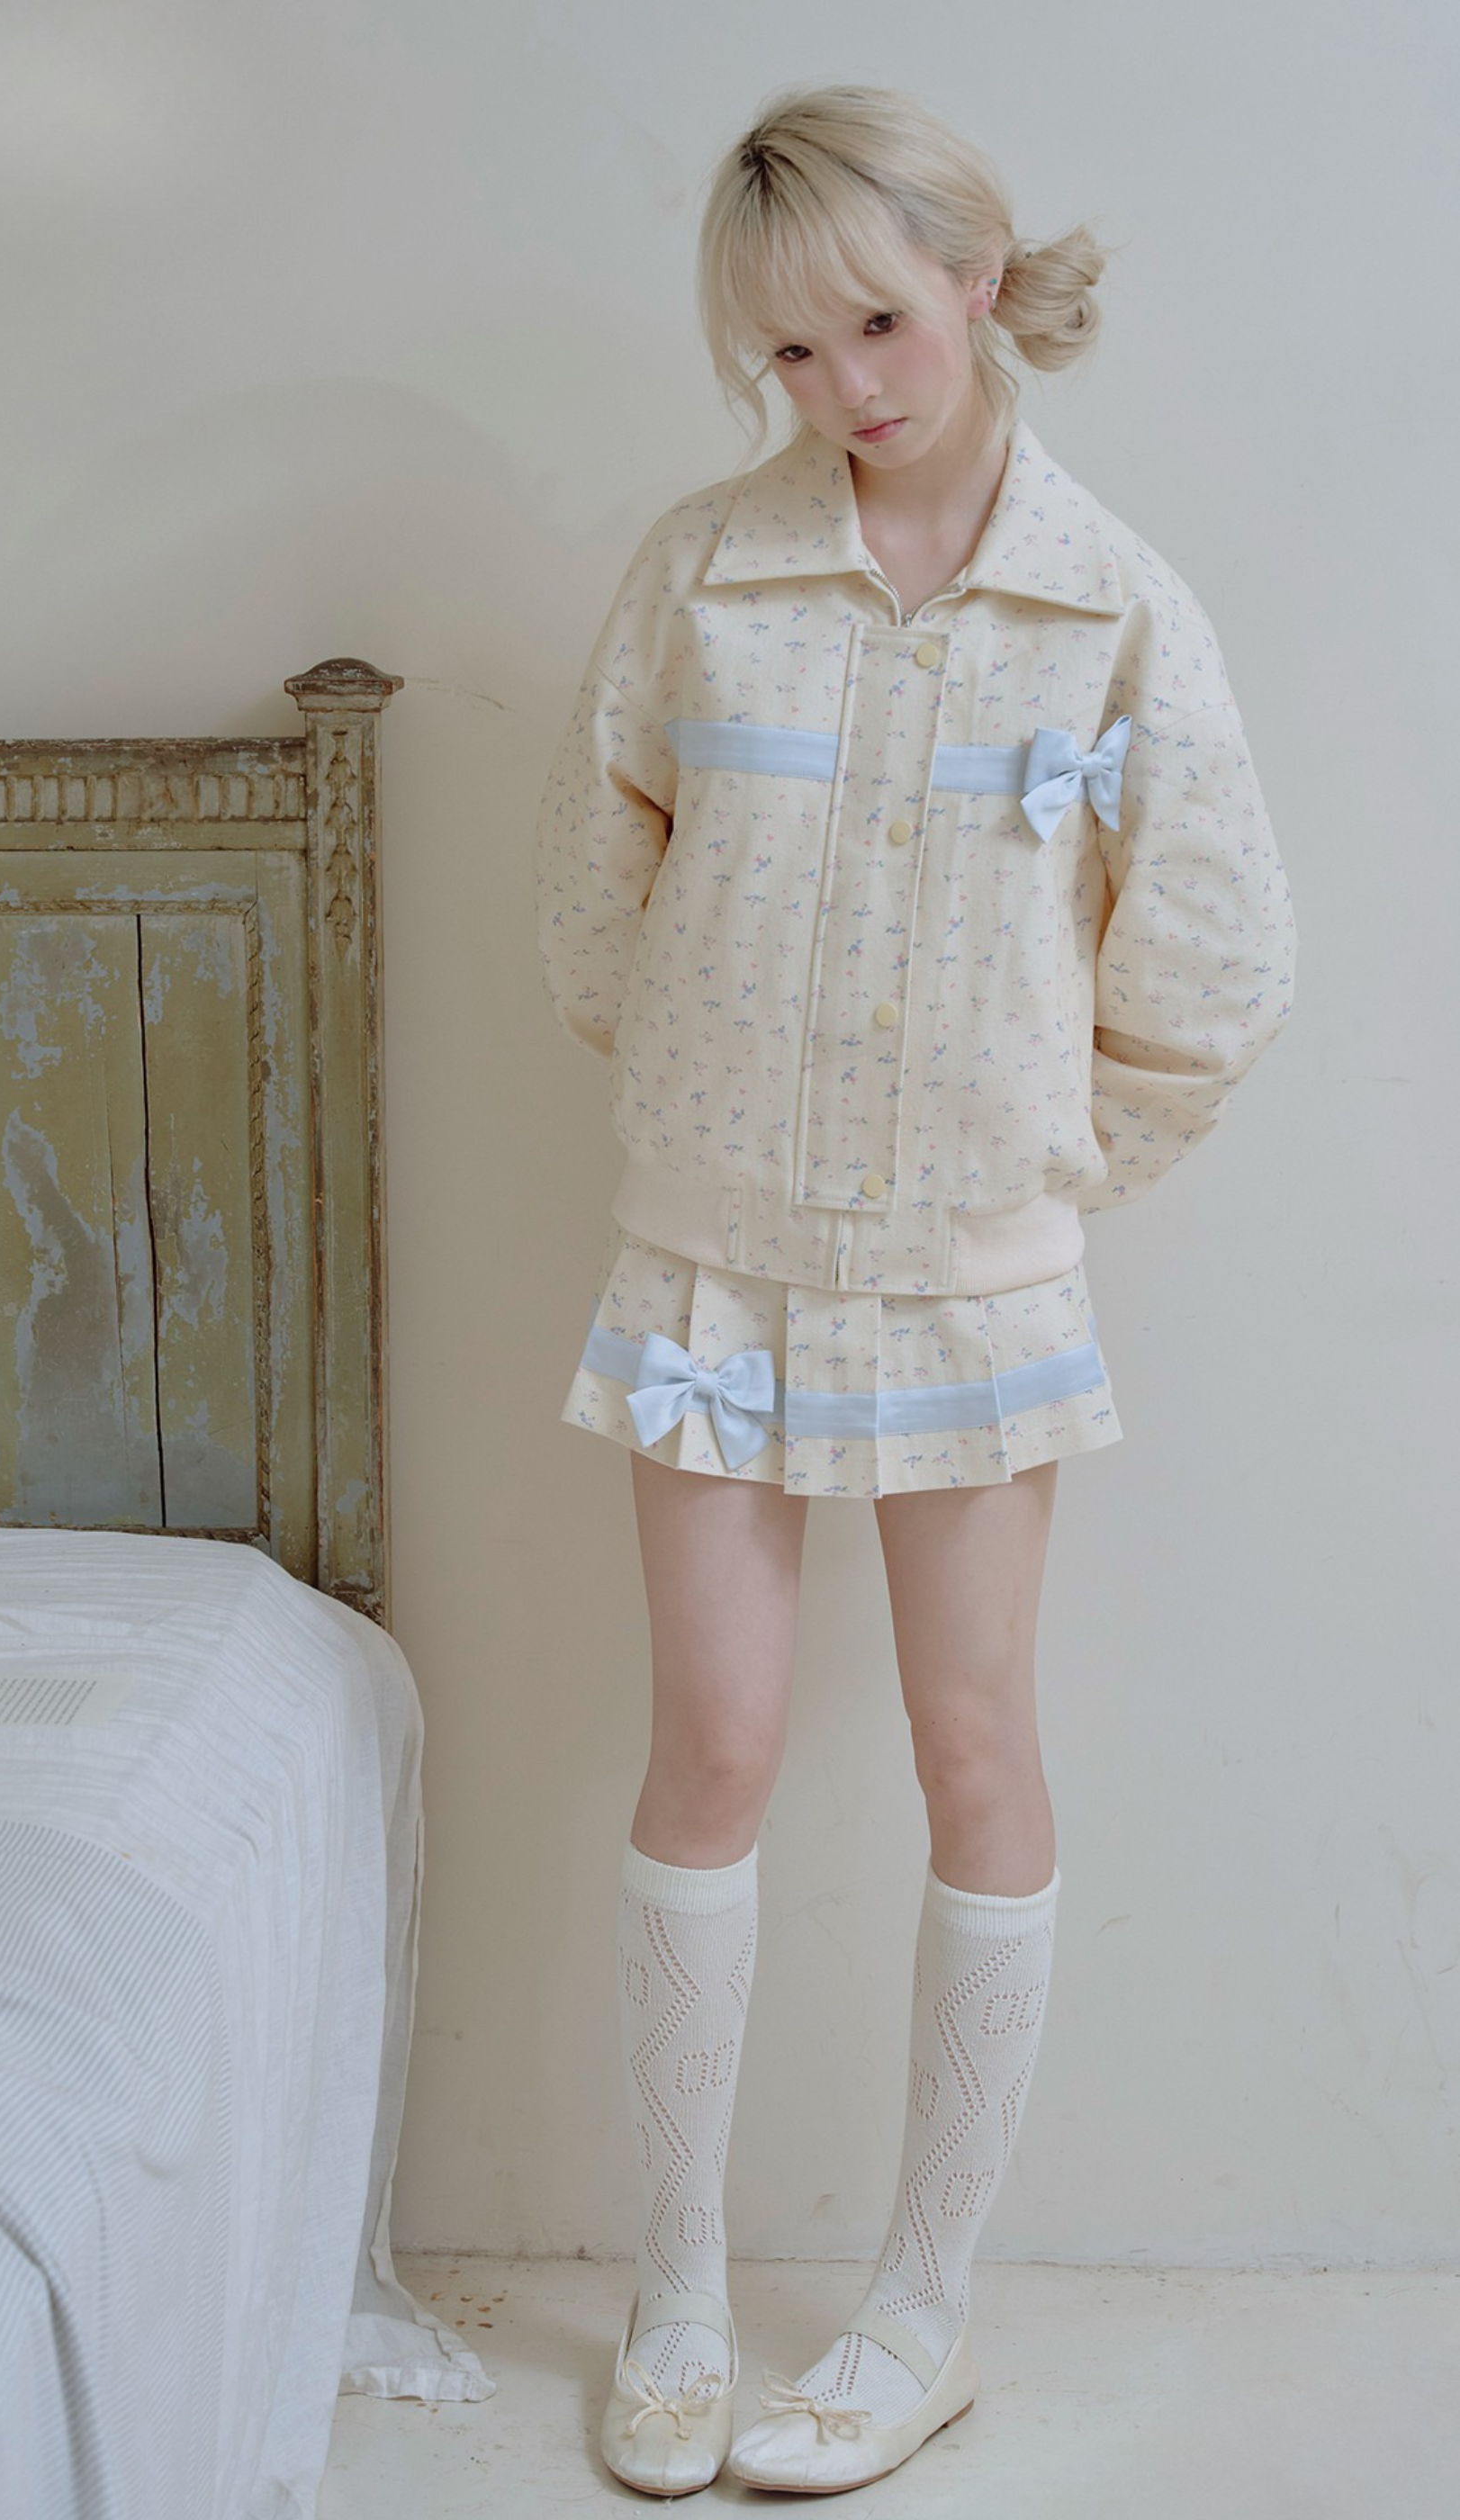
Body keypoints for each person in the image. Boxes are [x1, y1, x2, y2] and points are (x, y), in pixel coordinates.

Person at [533, 82, 1296, 2499]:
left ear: (975, 276)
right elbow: (593, 903)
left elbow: (1217, 968)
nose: (845, 384)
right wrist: (718, 1095)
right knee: (715, 1746)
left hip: (977, 1280)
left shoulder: (1114, 608)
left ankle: (924, 2311)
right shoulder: (700, 574)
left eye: (876, 321)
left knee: (981, 1747)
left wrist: (1035, 1165)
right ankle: (674, 2291)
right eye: (789, 350)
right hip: (714, 1258)